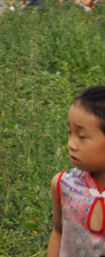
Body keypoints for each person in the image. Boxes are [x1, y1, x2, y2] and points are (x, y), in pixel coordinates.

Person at [47, 85, 105, 257]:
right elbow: (58, 232)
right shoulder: (63, 185)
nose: (71, 144)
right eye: (69, 133)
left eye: (81, 136)